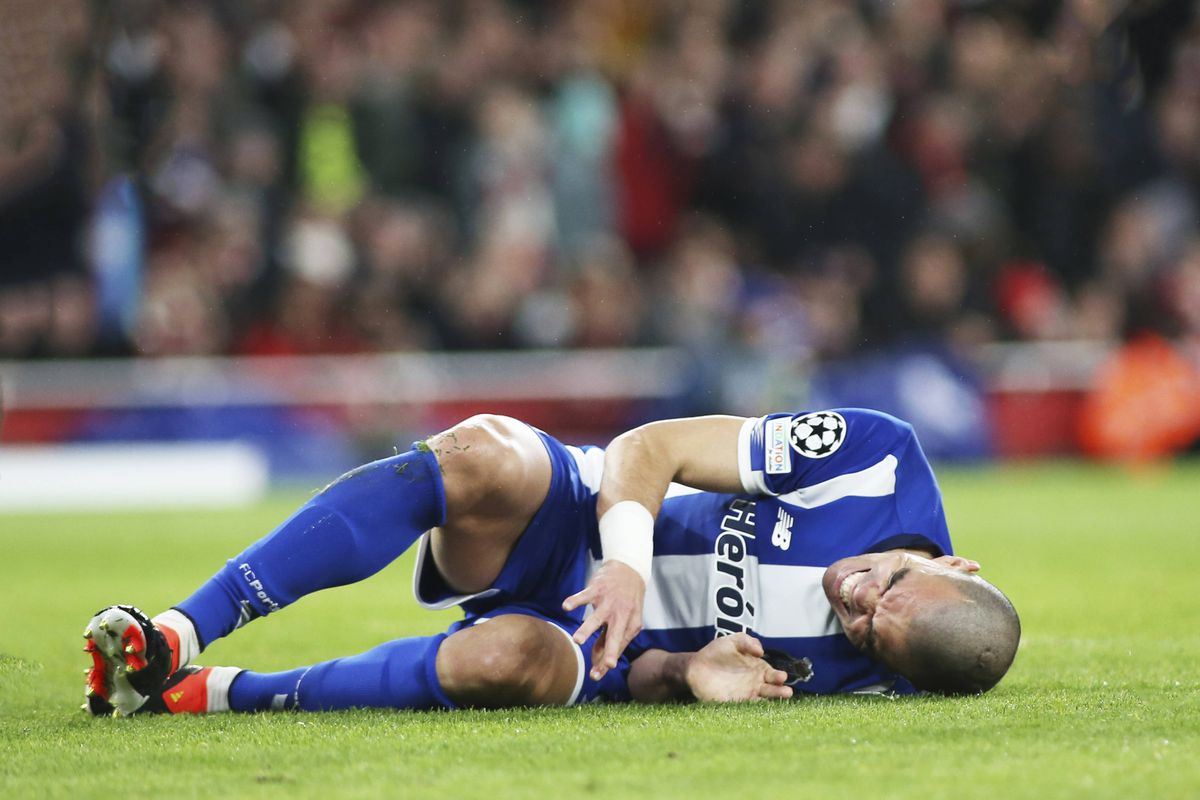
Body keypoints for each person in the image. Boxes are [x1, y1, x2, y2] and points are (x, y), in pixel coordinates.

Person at [81, 409, 1020, 716]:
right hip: (582, 511)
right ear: (963, 563)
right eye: (889, 581)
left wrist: (684, 670)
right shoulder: (875, 458)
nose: (854, 597)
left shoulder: (861, 685)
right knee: (482, 453)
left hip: (595, 641)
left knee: (499, 663)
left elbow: (653, 670)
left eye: (868, 628)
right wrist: (627, 564)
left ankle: (202, 692)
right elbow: (649, 450)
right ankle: (178, 630)